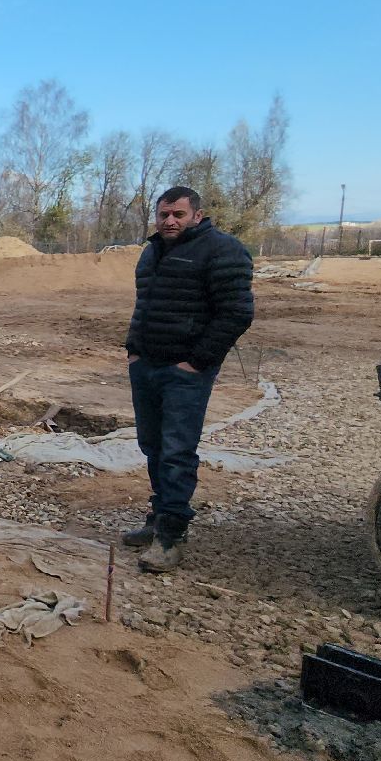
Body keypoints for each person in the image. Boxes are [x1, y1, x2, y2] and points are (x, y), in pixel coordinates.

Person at [121, 186, 254, 572]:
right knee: (153, 446)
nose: (170, 221)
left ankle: (171, 535)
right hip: (146, 366)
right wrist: (134, 350)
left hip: (185, 372)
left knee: (177, 451)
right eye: (164, 214)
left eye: (178, 214)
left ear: (197, 214)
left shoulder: (222, 250)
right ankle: (160, 516)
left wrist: (196, 362)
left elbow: (236, 313)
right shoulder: (152, 251)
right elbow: (143, 306)